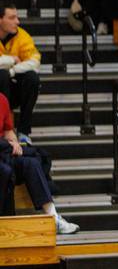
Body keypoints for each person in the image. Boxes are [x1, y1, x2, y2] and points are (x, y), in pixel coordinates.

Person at [0, 90, 79, 233]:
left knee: (32, 163)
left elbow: (7, 130)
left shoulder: (2, 100)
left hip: (4, 154)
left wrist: (14, 142)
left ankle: (53, 218)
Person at [0, 4, 41, 145]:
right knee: (2, 76)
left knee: (32, 78)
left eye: (17, 17)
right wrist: (11, 60)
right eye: (12, 18)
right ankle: (4, 130)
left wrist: (12, 70)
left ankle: (23, 132)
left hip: (13, 90)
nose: (17, 21)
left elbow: (35, 63)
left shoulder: (22, 35)